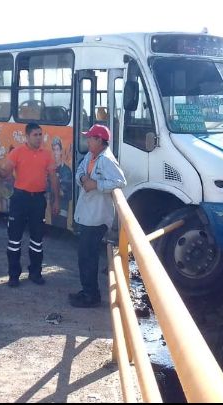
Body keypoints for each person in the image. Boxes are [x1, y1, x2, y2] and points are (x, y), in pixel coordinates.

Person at [0, 123, 59, 287]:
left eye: (40, 134)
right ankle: (13, 275)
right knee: (14, 240)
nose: (39, 138)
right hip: (20, 199)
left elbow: (53, 178)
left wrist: (55, 200)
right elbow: (6, 172)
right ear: (27, 136)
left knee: (37, 240)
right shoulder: (17, 152)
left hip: (38, 200)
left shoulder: (47, 155)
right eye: (35, 135)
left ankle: (35, 273)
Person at [69, 124, 126, 308]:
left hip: (97, 217)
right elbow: (79, 171)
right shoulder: (91, 156)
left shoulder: (106, 160)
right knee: (85, 255)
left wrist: (97, 185)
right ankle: (88, 291)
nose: (87, 141)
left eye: (90, 138)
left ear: (99, 141)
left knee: (87, 256)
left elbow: (120, 181)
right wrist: (85, 180)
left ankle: (91, 295)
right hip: (88, 215)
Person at [49, 136, 73, 228]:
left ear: (61, 151)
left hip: (62, 208)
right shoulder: (50, 169)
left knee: (60, 231)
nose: (55, 153)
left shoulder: (66, 170)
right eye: (54, 150)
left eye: (57, 150)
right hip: (50, 207)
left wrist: (54, 187)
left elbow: (64, 192)